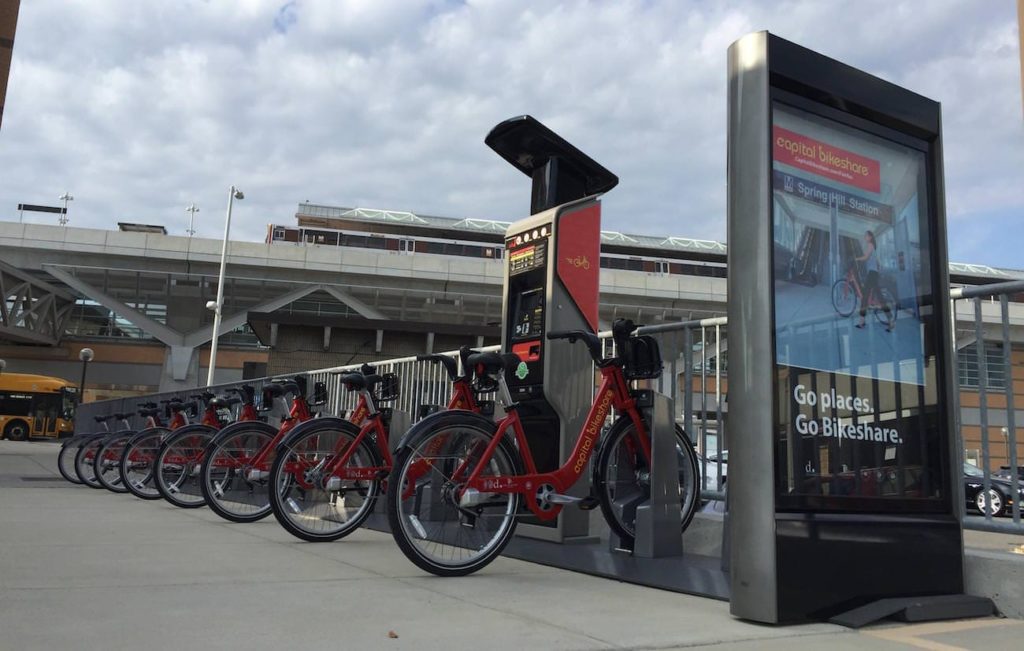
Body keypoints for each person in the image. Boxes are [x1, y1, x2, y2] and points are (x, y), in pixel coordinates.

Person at [854, 230, 892, 331]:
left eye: (866, 235)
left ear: (870, 237)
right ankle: (890, 319)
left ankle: (862, 322)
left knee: (865, 297)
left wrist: (856, 259)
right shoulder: (873, 247)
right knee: (877, 296)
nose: (864, 237)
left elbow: (866, 257)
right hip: (873, 274)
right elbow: (877, 262)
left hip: (872, 274)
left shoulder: (870, 245)